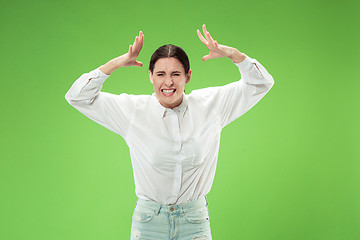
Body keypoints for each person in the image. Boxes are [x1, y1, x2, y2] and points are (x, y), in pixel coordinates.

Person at [65, 24, 274, 240]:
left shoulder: (211, 106)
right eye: (160, 74)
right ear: (150, 76)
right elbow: (77, 97)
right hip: (148, 223)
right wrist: (116, 63)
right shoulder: (133, 111)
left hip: (194, 222)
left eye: (176, 74)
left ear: (188, 76)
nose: (168, 82)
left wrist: (233, 54)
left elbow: (261, 83)